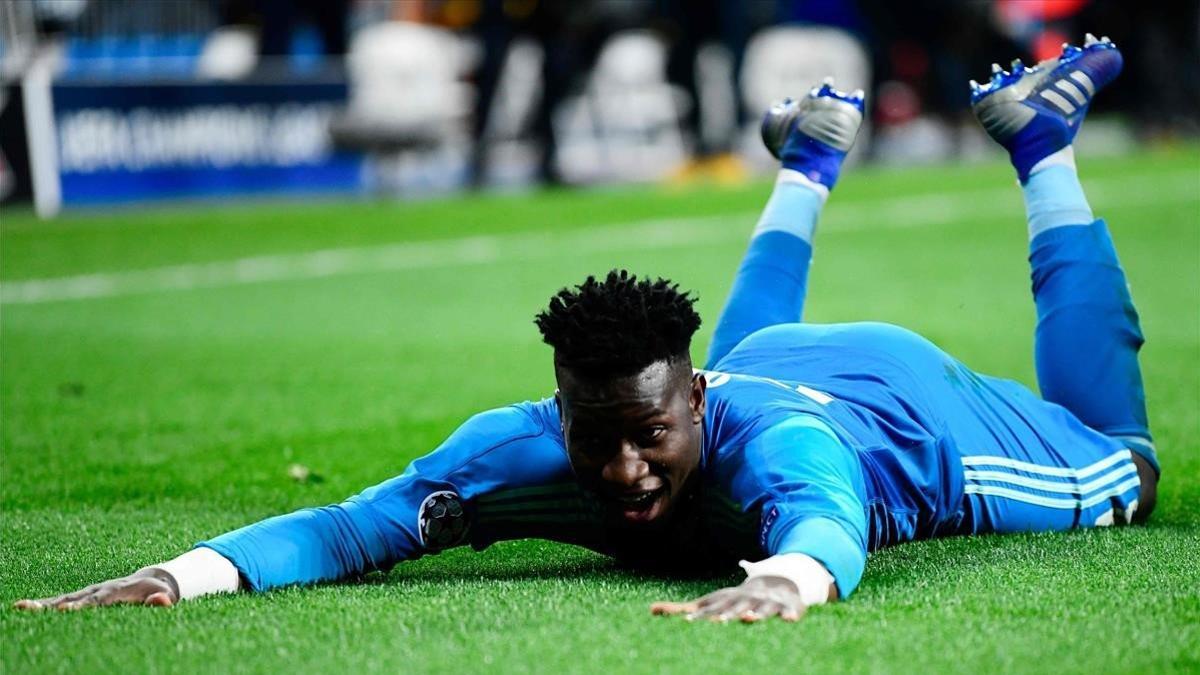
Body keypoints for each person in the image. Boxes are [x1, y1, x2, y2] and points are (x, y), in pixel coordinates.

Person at [15, 35, 1158, 623]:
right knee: (739, 366)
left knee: (1129, 466)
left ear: (691, 406)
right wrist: (183, 574)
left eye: (648, 437)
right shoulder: (528, 447)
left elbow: (823, 518)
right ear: (556, 409)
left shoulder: (781, 451)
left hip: (909, 418)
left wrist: (793, 584)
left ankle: (1042, 154)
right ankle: (808, 165)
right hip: (760, 366)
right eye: (594, 434)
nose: (621, 469)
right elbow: (352, 530)